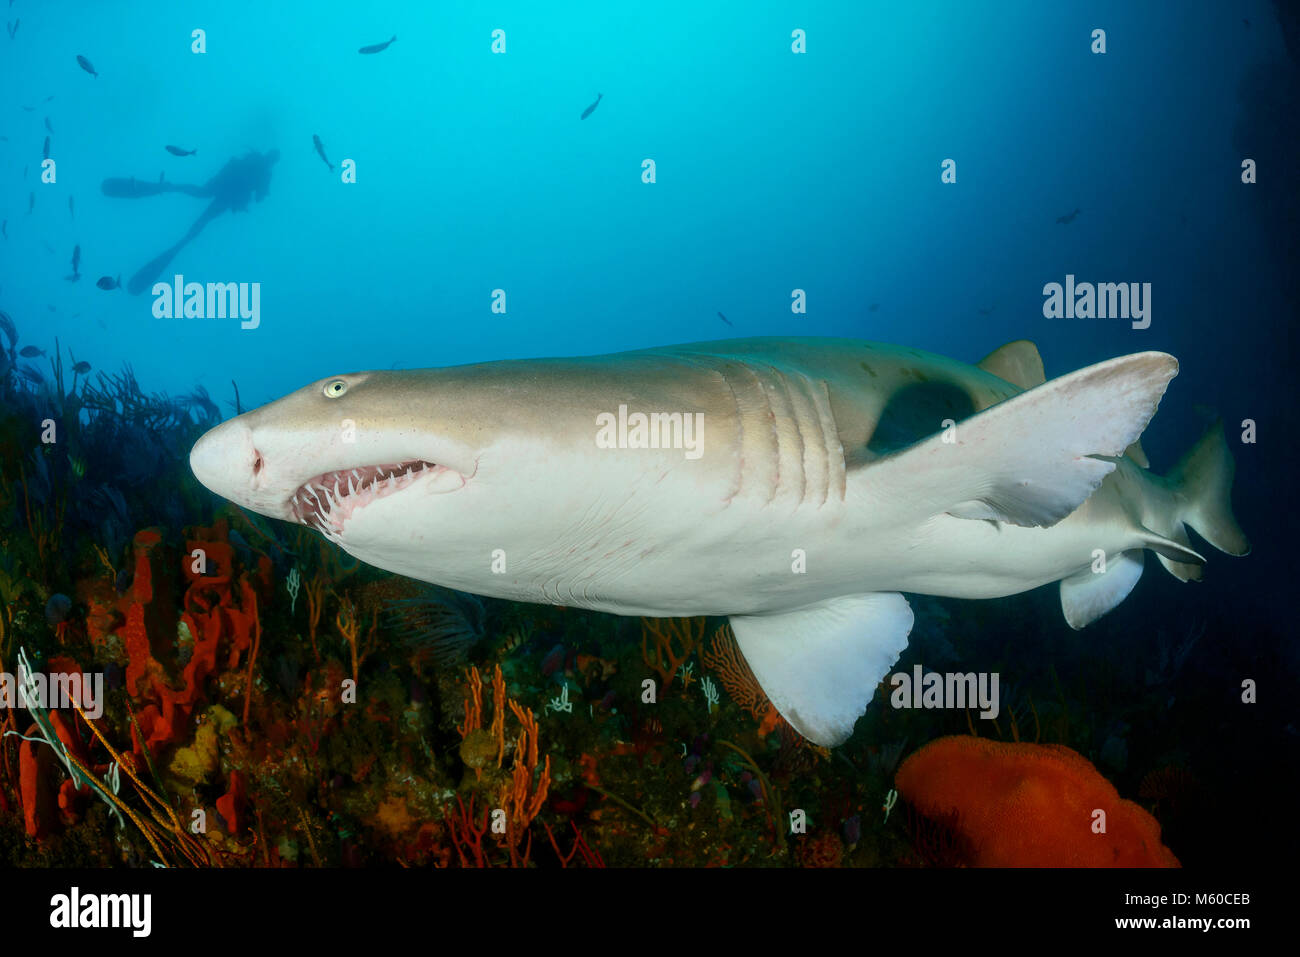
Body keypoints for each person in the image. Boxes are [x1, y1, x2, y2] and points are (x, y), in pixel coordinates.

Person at [101, 149, 280, 295]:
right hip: (227, 197)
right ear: (274, 161)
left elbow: (232, 165)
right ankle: (181, 242)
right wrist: (261, 190)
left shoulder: (254, 157)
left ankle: (168, 187)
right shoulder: (266, 173)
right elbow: (259, 197)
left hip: (220, 186)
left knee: (198, 193)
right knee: (200, 224)